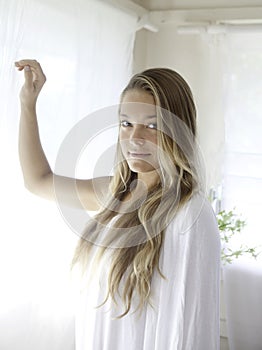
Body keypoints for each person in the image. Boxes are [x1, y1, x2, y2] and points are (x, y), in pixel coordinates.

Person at [15, 59, 221, 350]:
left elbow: (188, 325)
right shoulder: (114, 194)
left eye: (152, 125)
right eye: (126, 123)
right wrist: (28, 105)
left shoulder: (189, 214)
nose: (135, 138)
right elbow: (38, 181)